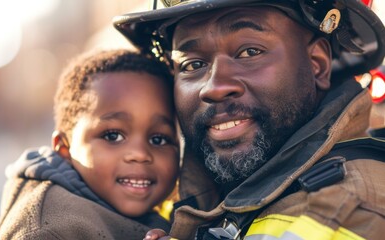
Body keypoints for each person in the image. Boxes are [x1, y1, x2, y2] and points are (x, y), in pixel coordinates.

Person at [113, 0, 385, 239]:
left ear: (317, 64)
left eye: (250, 52)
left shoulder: (349, 210)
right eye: (193, 65)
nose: (214, 87)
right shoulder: (178, 184)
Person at [0, 49, 180, 239]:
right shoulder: (50, 230)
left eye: (159, 139)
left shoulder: (175, 207)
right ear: (64, 147)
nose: (140, 154)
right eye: (113, 136)